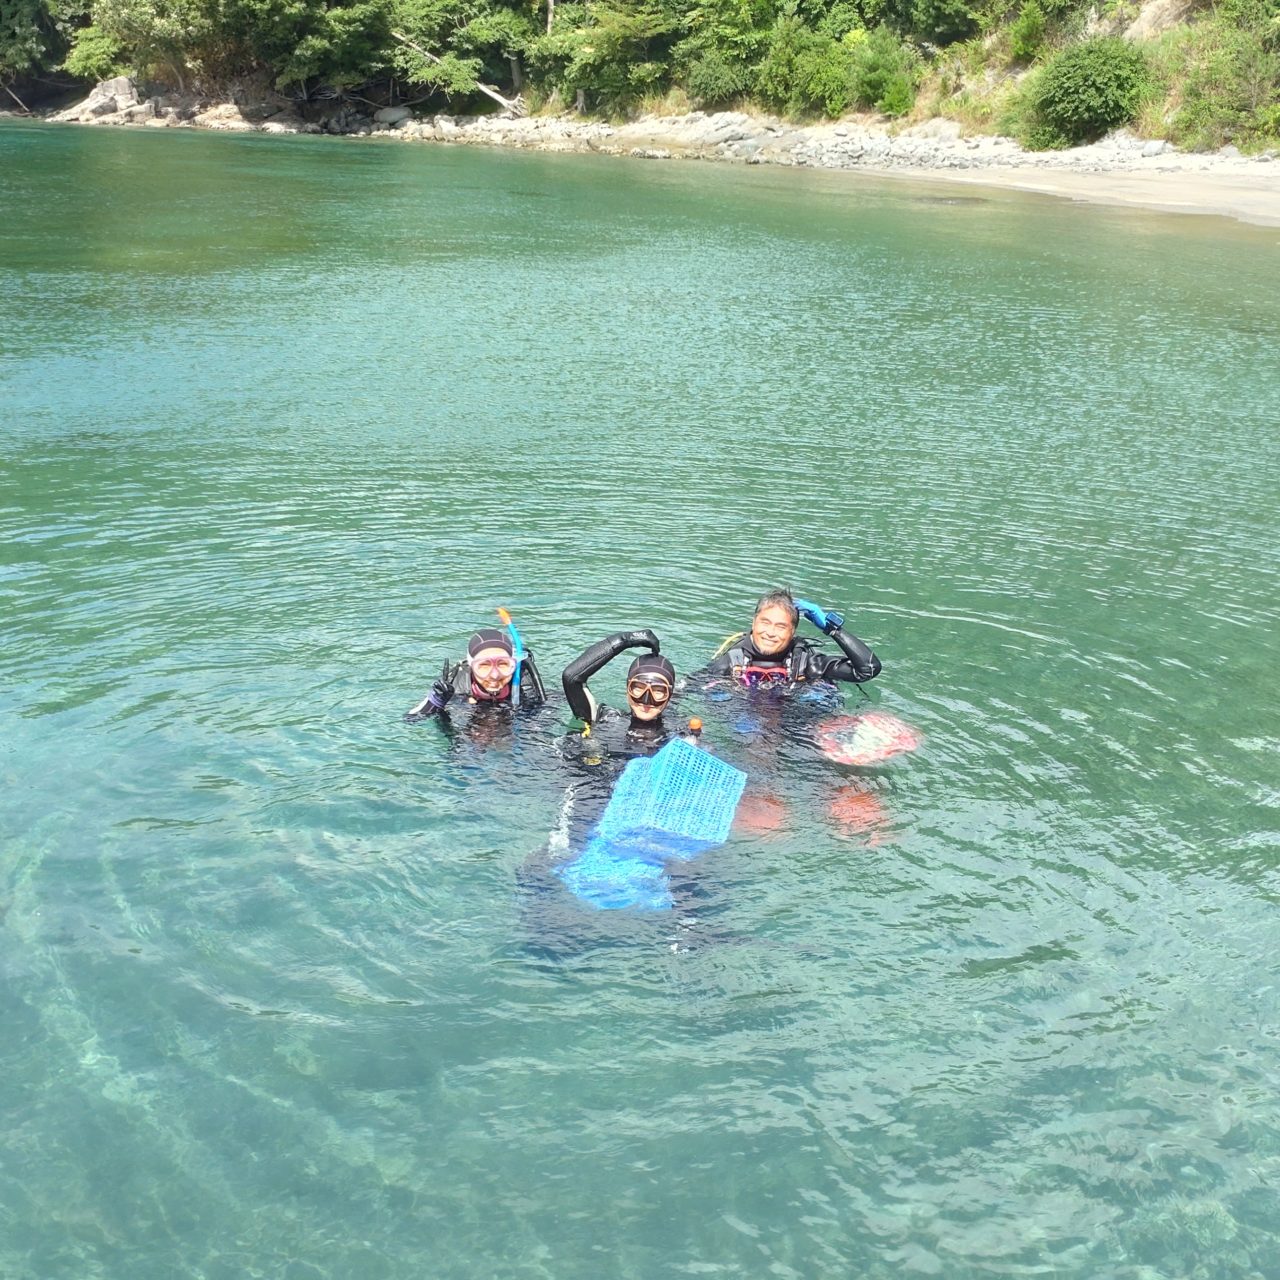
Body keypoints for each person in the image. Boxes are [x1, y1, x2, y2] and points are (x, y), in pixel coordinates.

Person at [701, 588, 881, 689]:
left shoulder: (805, 663)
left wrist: (832, 629)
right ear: (754, 623)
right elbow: (686, 688)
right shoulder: (733, 660)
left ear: (792, 631)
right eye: (765, 623)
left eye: (781, 626)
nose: (770, 633)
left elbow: (868, 669)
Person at [560, 628, 679, 758]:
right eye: (638, 688)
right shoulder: (607, 719)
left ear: (669, 695)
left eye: (658, 690)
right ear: (627, 690)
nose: (646, 699)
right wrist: (623, 640)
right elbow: (571, 678)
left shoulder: (678, 732)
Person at [405, 625, 547, 726]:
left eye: (503, 664)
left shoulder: (523, 682)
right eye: (484, 665)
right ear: (472, 666)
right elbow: (410, 720)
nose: (495, 675)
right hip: (472, 725)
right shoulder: (456, 684)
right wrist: (436, 701)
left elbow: (546, 713)